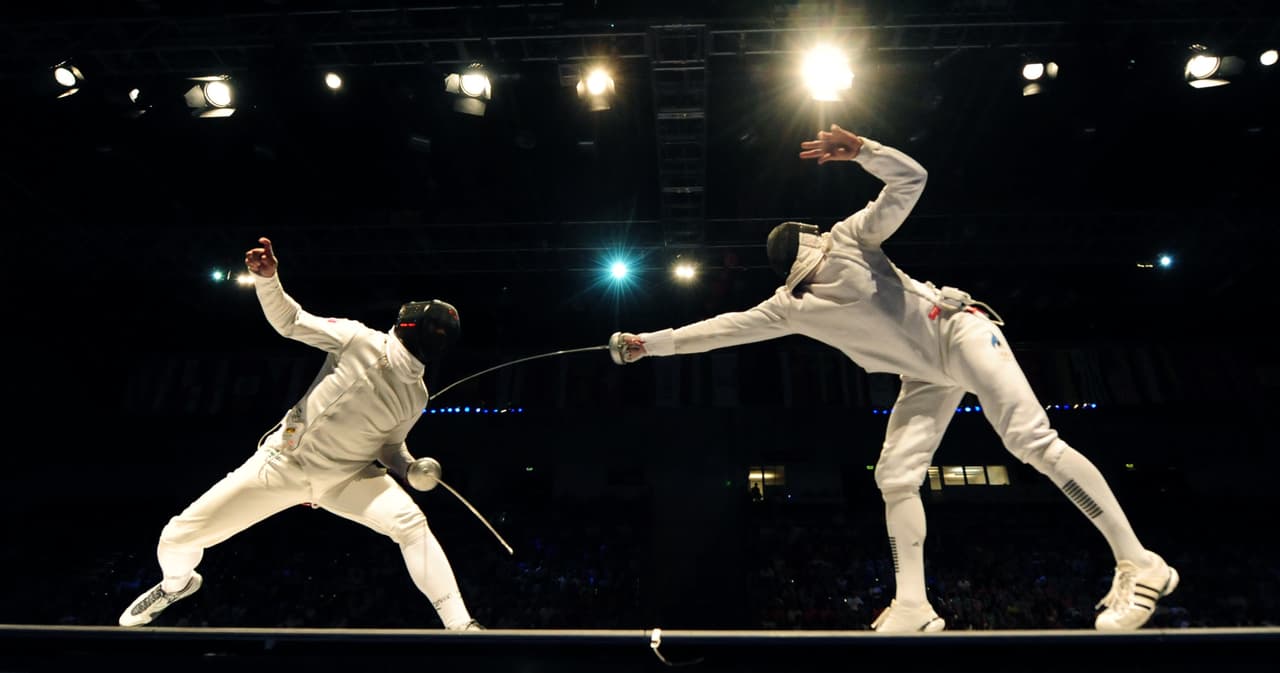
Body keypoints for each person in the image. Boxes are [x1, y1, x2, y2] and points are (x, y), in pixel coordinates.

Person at [608, 125, 1178, 632]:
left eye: (817, 270)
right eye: (809, 278)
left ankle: (1140, 560)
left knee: (1029, 441)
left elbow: (910, 181)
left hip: (959, 332)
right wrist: (648, 345)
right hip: (925, 375)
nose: (818, 281)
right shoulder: (794, 299)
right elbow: (719, 330)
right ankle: (914, 605)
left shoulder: (850, 238)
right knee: (895, 477)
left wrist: (864, 152)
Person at [118, 236, 484, 630]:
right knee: (175, 539)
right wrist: (267, 281)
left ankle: (461, 626)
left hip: (345, 477)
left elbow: (389, 446)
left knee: (410, 524)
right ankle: (177, 584)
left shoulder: (416, 394)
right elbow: (291, 321)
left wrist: (409, 468)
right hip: (283, 465)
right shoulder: (357, 340)